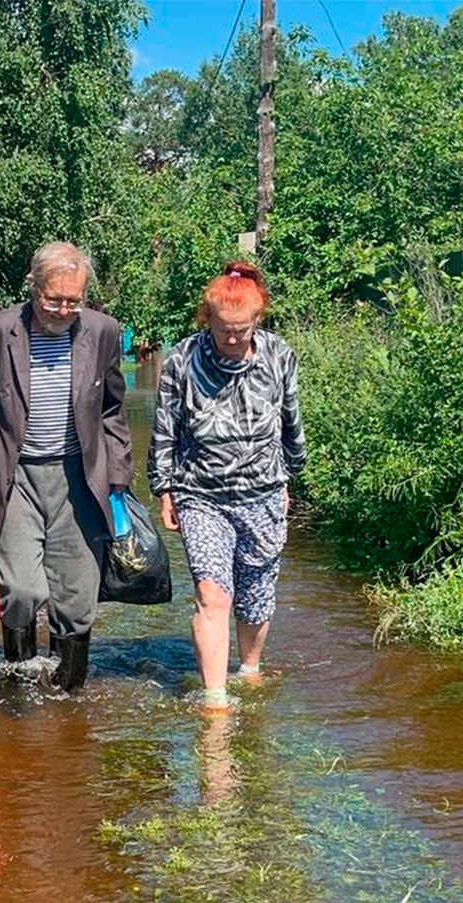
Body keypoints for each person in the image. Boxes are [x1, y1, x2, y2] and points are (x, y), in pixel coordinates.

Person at [0, 242, 133, 691]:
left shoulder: (103, 332)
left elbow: (112, 409)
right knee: (23, 589)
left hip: (79, 478)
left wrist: (119, 476)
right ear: (33, 287)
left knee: (76, 593)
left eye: (74, 301)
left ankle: (68, 695)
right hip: (16, 477)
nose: (64, 310)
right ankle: (21, 691)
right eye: (54, 299)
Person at [148, 261, 306, 709]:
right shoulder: (181, 359)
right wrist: (164, 488)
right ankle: (215, 699)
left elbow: (290, 422)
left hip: (263, 490)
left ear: (259, 319)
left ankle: (250, 668)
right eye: (224, 331)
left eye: (242, 330)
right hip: (201, 493)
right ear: (207, 319)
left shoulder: (279, 355)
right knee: (211, 592)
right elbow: (165, 429)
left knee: (256, 594)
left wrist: (289, 477)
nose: (233, 339)